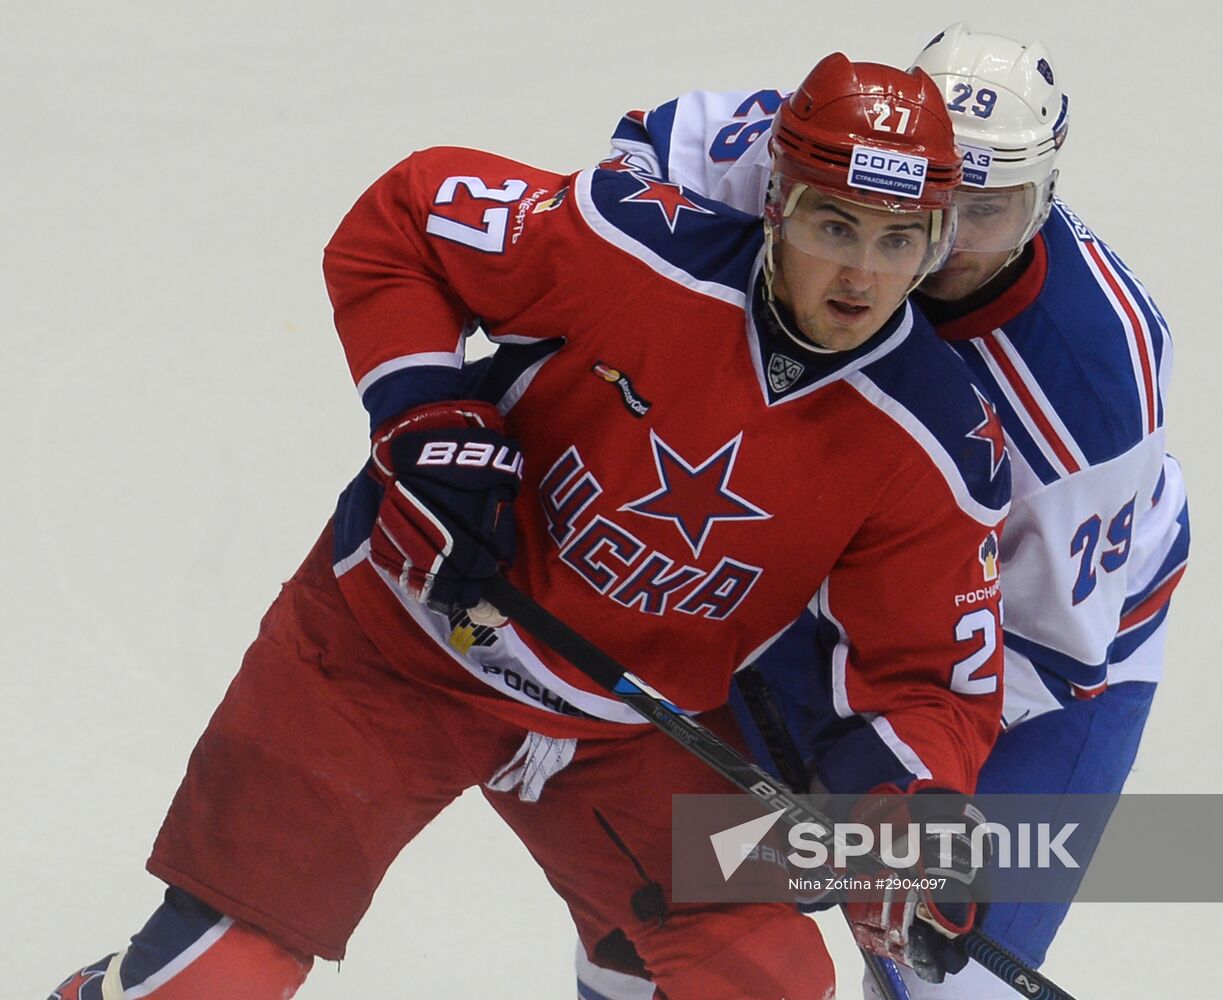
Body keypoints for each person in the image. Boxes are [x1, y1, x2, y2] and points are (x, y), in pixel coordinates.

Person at [47, 54, 1011, 1000]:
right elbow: (408, 215)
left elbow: (932, 680)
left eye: (897, 239)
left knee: (766, 979)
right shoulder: (631, 245)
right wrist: (425, 415)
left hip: (621, 733)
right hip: (396, 644)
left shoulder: (939, 440)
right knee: (219, 979)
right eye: (834, 224)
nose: (861, 273)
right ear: (775, 204)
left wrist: (910, 823)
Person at [574, 23, 1191, 1000]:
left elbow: (1036, 653)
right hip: (807, 573)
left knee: (941, 976)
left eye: (990, 214)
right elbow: (638, 161)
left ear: (1044, 200)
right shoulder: (832, 153)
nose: (941, 249)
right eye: (936, 200)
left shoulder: (1080, 396)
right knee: (650, 899)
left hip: (1024, 672)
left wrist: (876, 787)